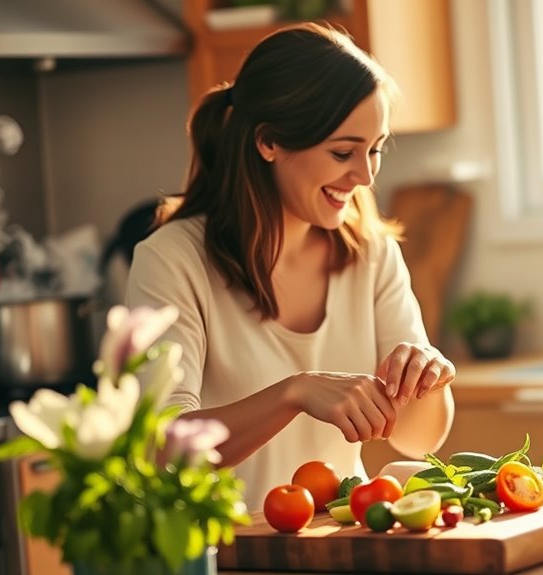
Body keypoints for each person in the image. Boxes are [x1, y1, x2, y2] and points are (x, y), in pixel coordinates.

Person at [126, 23, 455, 511]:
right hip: (227, 553)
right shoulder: (172, 260)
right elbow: (160, 449)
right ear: (269, 142)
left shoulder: (372, 254)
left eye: (375, 150)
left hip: (340, 547)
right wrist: (292, 394)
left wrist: (424, 382)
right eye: (343, 152)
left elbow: (419, 441)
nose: (364, 176)